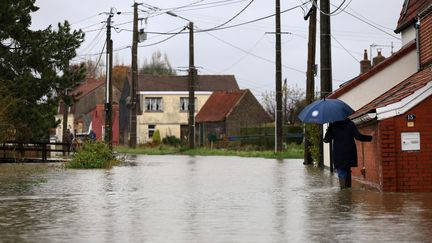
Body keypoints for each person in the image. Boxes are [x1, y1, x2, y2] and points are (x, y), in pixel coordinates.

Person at [324, 118, 372, 189]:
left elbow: (327, 140)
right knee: (347, 170)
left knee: (341, 171)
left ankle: (343, 191)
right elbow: (358, 136)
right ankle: (348, 192)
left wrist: (329, 130)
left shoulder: (333, 126)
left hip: (338, 153)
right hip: (350, 152)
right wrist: (370, 137)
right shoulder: (350, 124)